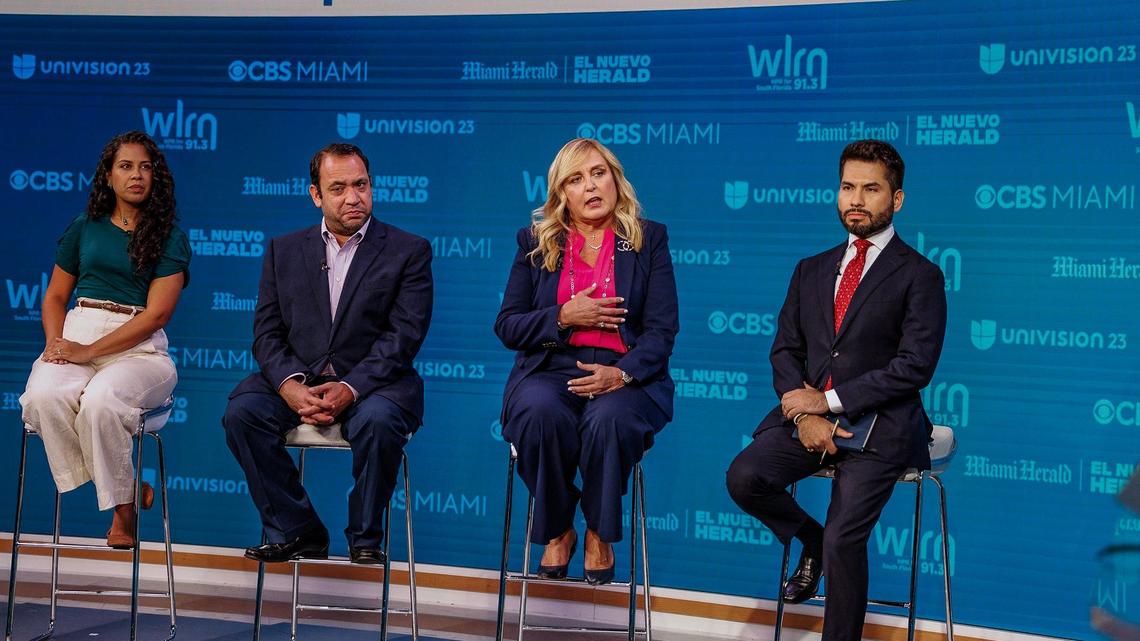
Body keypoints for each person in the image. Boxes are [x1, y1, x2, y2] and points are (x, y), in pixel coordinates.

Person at [725, 139, 947, 640]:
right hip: (811, 421)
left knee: (847, 537)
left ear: (897, 199)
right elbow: (784, 352)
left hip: (882, 428)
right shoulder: (811, 269)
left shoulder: (921, 276)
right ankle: (812, 540)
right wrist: (805, 417)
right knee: (745, 477)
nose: (857, 199)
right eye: (848, 187)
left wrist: (826, 402)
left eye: (872, 189)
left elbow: (914, 367)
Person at [223, 143, 432, 565]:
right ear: (316, 195)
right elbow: (266, 333)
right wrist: (290, 386)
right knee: (242, 413)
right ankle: (296, 529)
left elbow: (404, 336)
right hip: (300, 379)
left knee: (378, 420)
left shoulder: (408, 250)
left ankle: (365, 536)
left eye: (361, 185)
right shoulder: (284, 250)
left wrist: (351, 387)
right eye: (339, 188)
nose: (353, 197)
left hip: (375, 384)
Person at [495, 138, 678, 585]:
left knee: (608, 421)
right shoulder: (535, 243)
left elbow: (661, 329)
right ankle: (558, 529)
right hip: (551, 369)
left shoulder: (648, 239)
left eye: (598, 173)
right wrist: (561, 316)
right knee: (539, 413)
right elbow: (508, 325)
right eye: (575, 179)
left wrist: (622, 373)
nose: (590, 186)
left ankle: (600, 532)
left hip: (627, 374)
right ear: (561, 194)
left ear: (615, 180)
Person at [20, 131, 191, 550]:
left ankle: (121, 512)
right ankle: (127, 489)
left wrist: (90, 352)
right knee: (42, 395)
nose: (136, 175)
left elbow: (158, 314)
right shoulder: (85, 227)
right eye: (126, 166)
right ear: (108, 176)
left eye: (145, 167)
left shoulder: (169, 235)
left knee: (100, 402)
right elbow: (57, 295)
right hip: (79, 329)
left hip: (139, 347)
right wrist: (54, 343)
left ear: (156, 177)